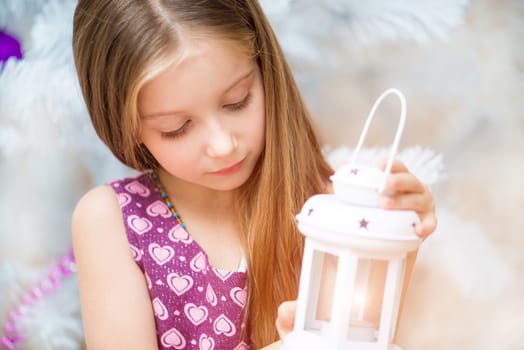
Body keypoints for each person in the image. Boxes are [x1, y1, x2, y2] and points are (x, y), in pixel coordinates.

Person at [71, 1, 437, 349]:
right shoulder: (114, 222)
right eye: (177, 127)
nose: (223, 145)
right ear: (127, 126)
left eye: (237, 101)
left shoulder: (327, 213)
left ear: (265, 71)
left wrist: (392, 236)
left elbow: (359, 337)